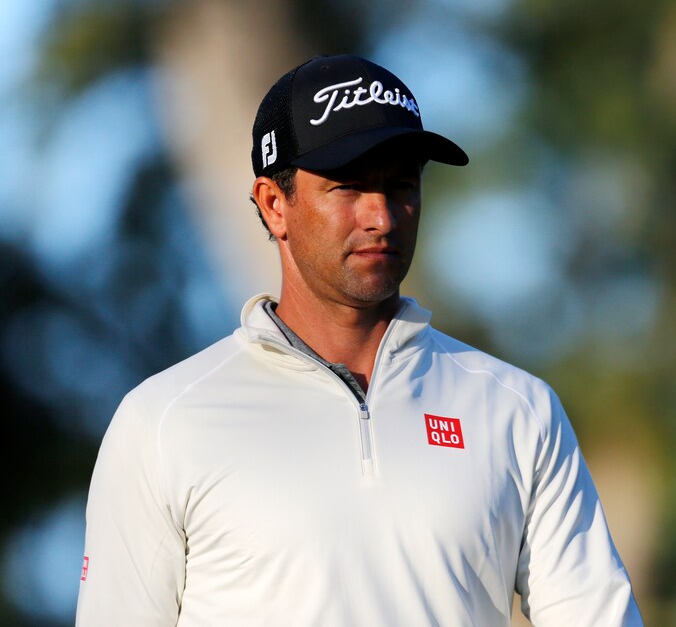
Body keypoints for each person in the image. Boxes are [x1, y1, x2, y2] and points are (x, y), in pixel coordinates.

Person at [76, 54, 643, 626]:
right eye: (348, 186)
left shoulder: (517, 411)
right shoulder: (164, 421)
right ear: (275, 205)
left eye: (401, 185)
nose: (382, 216)